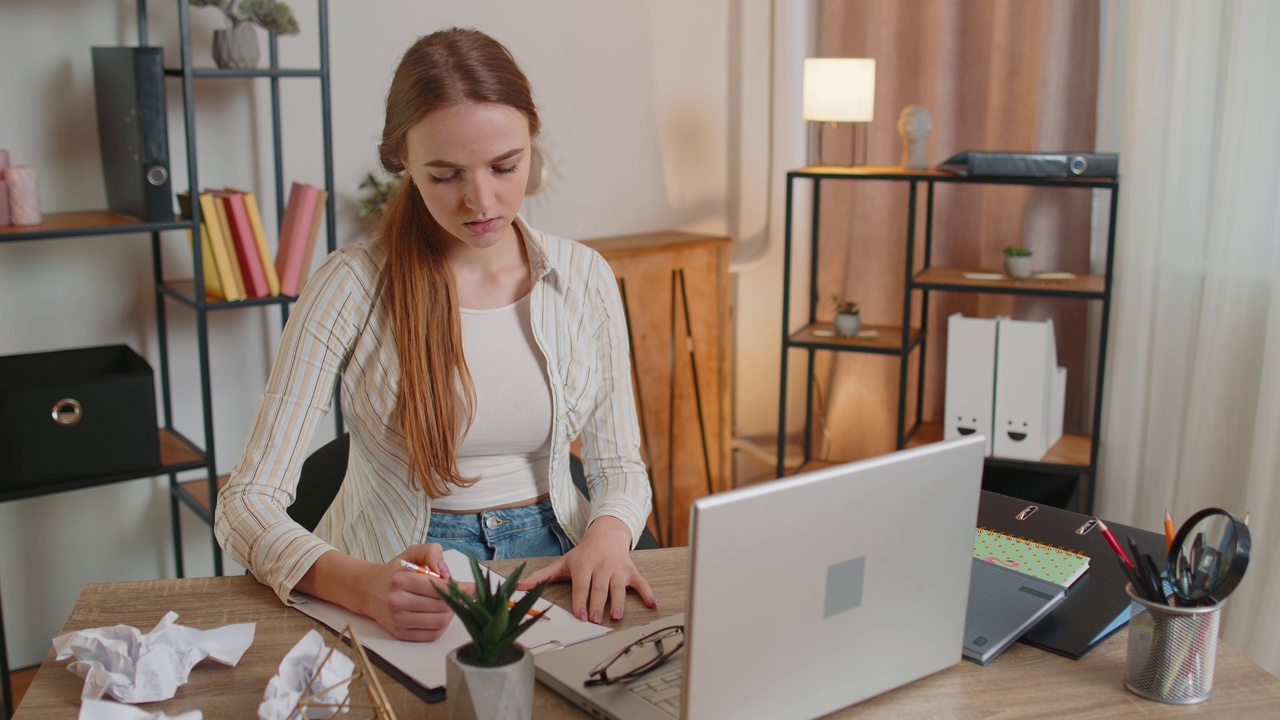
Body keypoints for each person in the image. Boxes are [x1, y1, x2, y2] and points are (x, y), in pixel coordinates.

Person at [214, 27, 657, 642]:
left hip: (559, 561)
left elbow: (618, 467)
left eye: (506, 167)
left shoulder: (583, 277)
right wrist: (360, 585)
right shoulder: (351, 286)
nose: (482, 201)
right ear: (403, 163)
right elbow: (245, 504)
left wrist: (607, 536)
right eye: (445, 175)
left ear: (532, 141)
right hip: (402, 573)